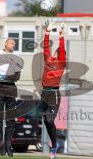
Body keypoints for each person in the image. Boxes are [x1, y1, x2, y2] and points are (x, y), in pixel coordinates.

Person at [40, 20, 66, 159]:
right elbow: (45, 47)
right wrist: (47, 31)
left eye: (60, 51)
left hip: (54, 93)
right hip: (44, 93)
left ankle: (54, 147)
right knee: (45, 120)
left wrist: (61, 35)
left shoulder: (61, 62)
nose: (58, 51)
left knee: (49, 120)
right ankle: (53, 144)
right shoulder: (48, 60)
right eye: (57, 50)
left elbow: (62, 48)